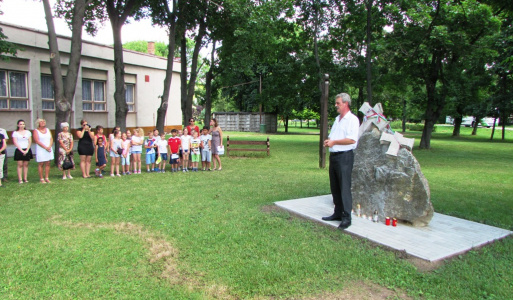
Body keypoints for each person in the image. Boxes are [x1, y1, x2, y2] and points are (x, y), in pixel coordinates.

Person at [322, 93, 360, 230]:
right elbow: (335, 136)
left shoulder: (353, 120)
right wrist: (329, 141)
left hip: (345, 157)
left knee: (344, 187)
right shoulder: (338, 119)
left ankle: (346, 217)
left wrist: (334, 142)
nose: (336, 105)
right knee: (335, 186)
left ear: (345, 103)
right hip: (334, 156)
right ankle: (337, 213)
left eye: (338, 103)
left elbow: (352, 140)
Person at [12, 119, 33, 184]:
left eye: (23, 124)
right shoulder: (15, 133)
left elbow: (30, 141)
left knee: (26, 164)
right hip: (19, 150)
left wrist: (27, 150)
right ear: (18, 125)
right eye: (20, 124)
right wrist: (21, 150)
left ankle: (25, 178)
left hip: (27, 149)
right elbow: (15, 142)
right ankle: (20, 179)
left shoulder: (28, 132)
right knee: (20, 164)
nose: (22, 125)